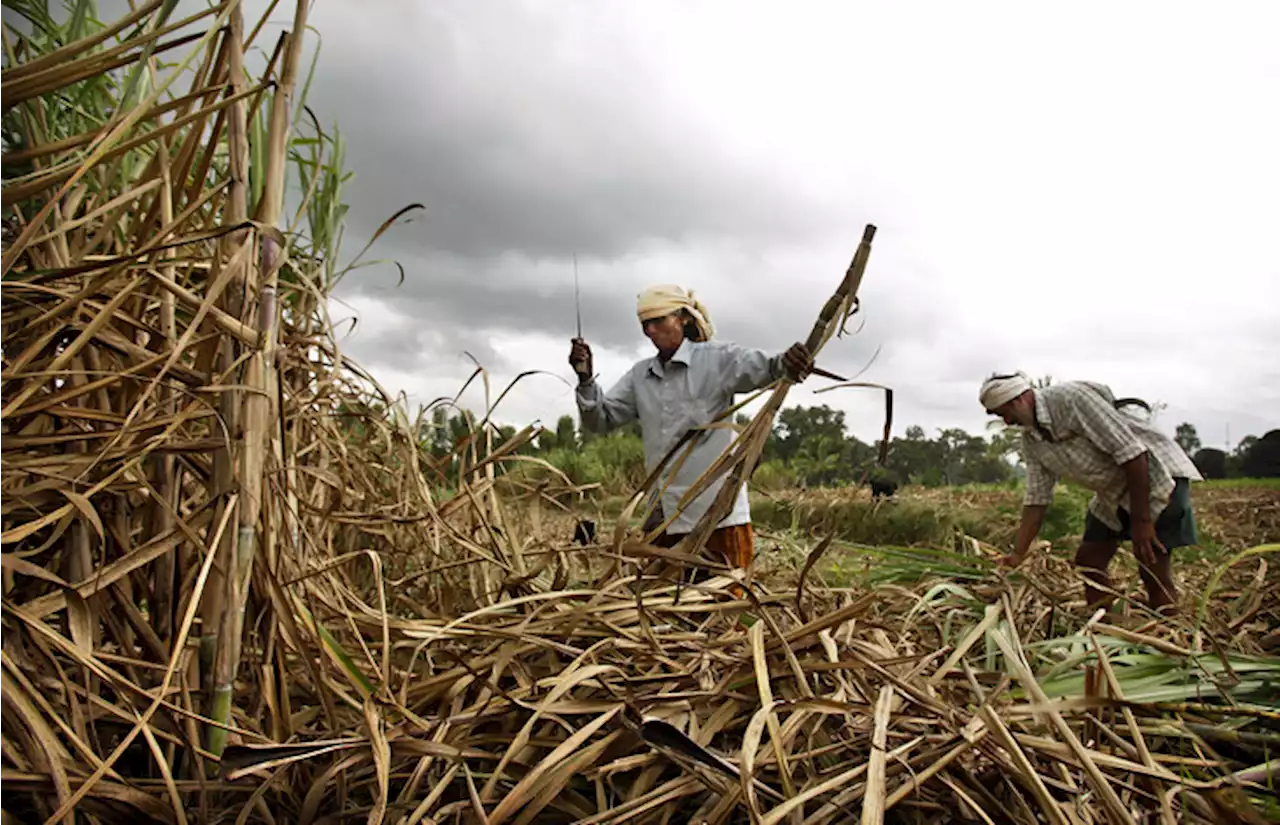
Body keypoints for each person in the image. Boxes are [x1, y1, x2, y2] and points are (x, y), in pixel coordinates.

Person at [569, 284, 813, 577]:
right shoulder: (641, 377)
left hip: (718, 515)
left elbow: (771, 368)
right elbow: (600, 419)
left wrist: (790, 362)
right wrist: (585, 379)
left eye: (659, 321)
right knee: (663, 609)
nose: (650, 331)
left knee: (726, 606)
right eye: (645, 324)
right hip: (663, 518)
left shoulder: (718, 359)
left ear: (683, 318)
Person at [979, 372, 1202, 615]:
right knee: (1089, 561)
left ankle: (1171, 637)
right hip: (1113, 490)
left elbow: (1134, 455)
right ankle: (1105, 629)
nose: (1008, 422)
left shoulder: (1072, 399)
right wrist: (1018, 554)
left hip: (1156, 479)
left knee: (1152, 569)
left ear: (1018, 400)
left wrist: (1142, 521)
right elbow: (1036, 499)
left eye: (1005, 414)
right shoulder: (1032, 440)